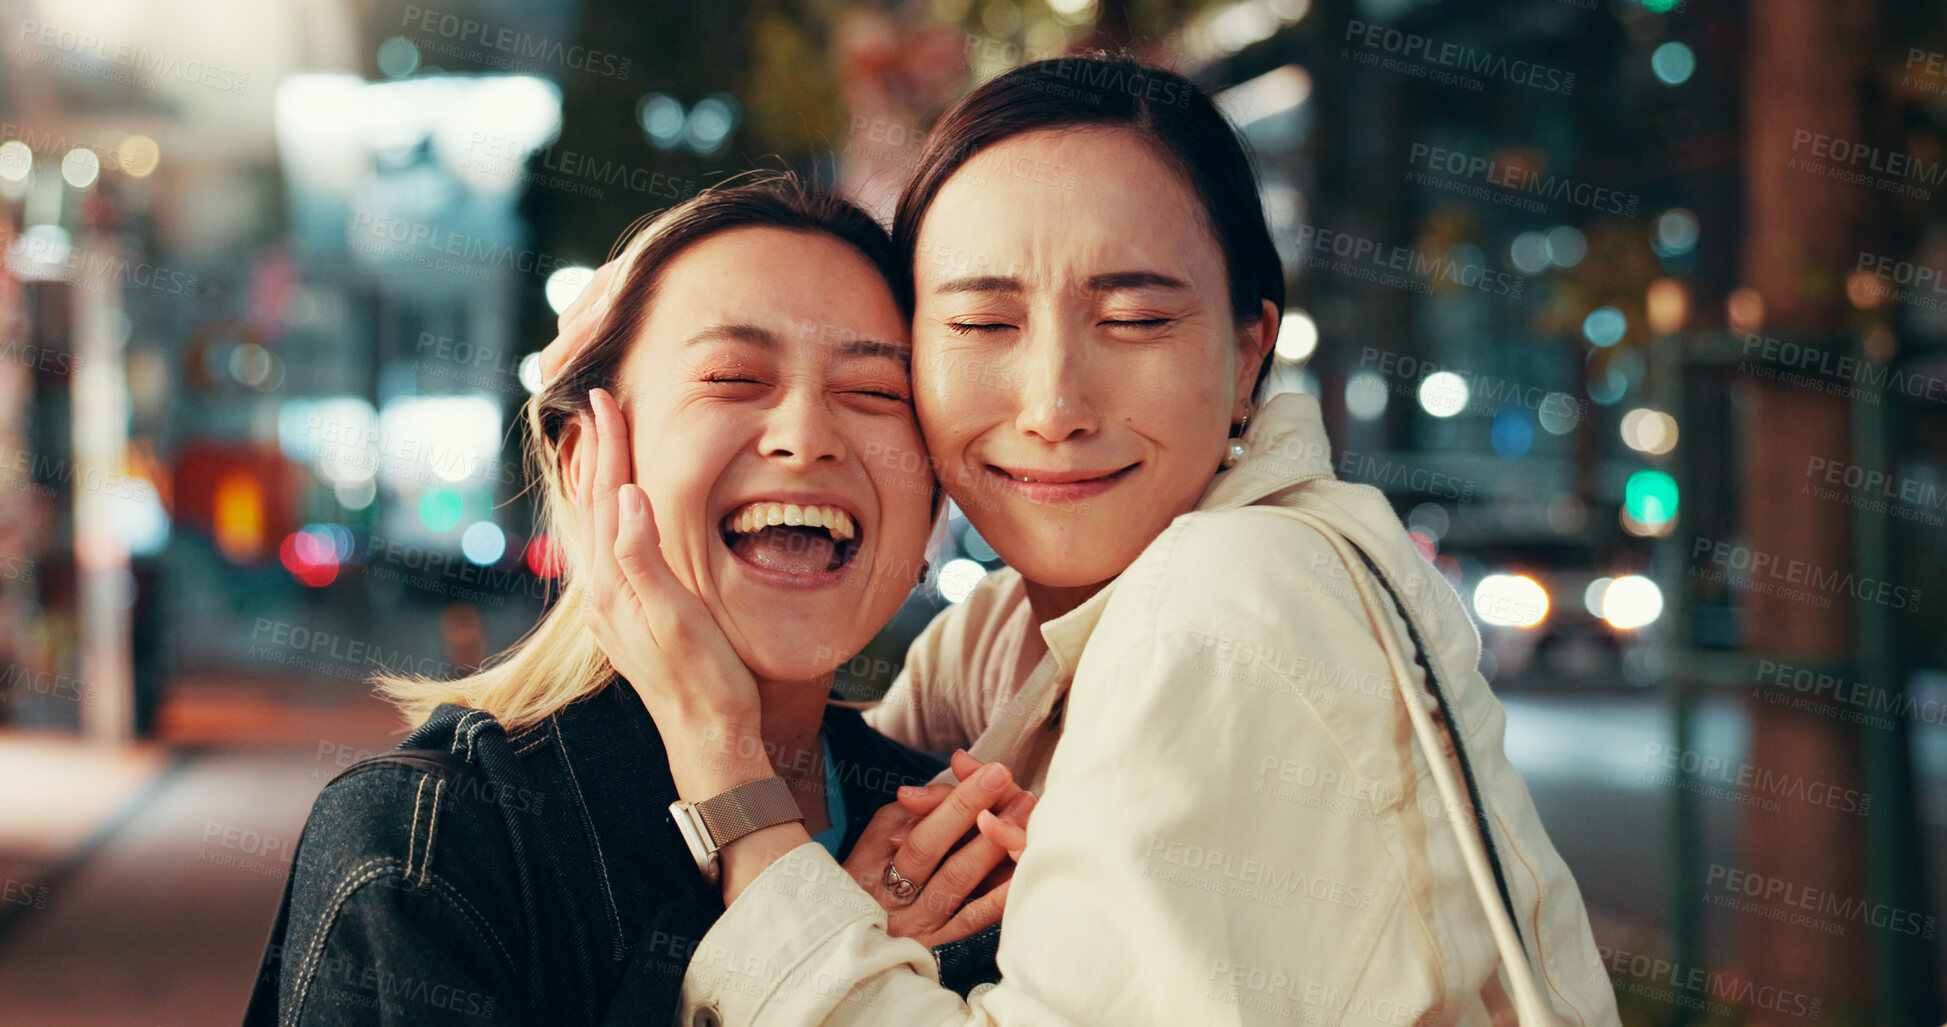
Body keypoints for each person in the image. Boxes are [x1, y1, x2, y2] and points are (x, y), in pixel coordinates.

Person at [555, 55, 1618, 1026]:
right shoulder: (1009, 639)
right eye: (982, 325)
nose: (1055, 402)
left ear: (1249, 355)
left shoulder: (1232, 599)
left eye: (1138, 320)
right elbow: (854, 794)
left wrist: (727, 774)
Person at [242, 179, 1035, 1027]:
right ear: (588, 467)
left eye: (877, 393)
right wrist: (814, 958)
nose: (806, 435)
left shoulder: (959, 846)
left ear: (931, 508)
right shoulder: (433, 842)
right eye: (733, 376)